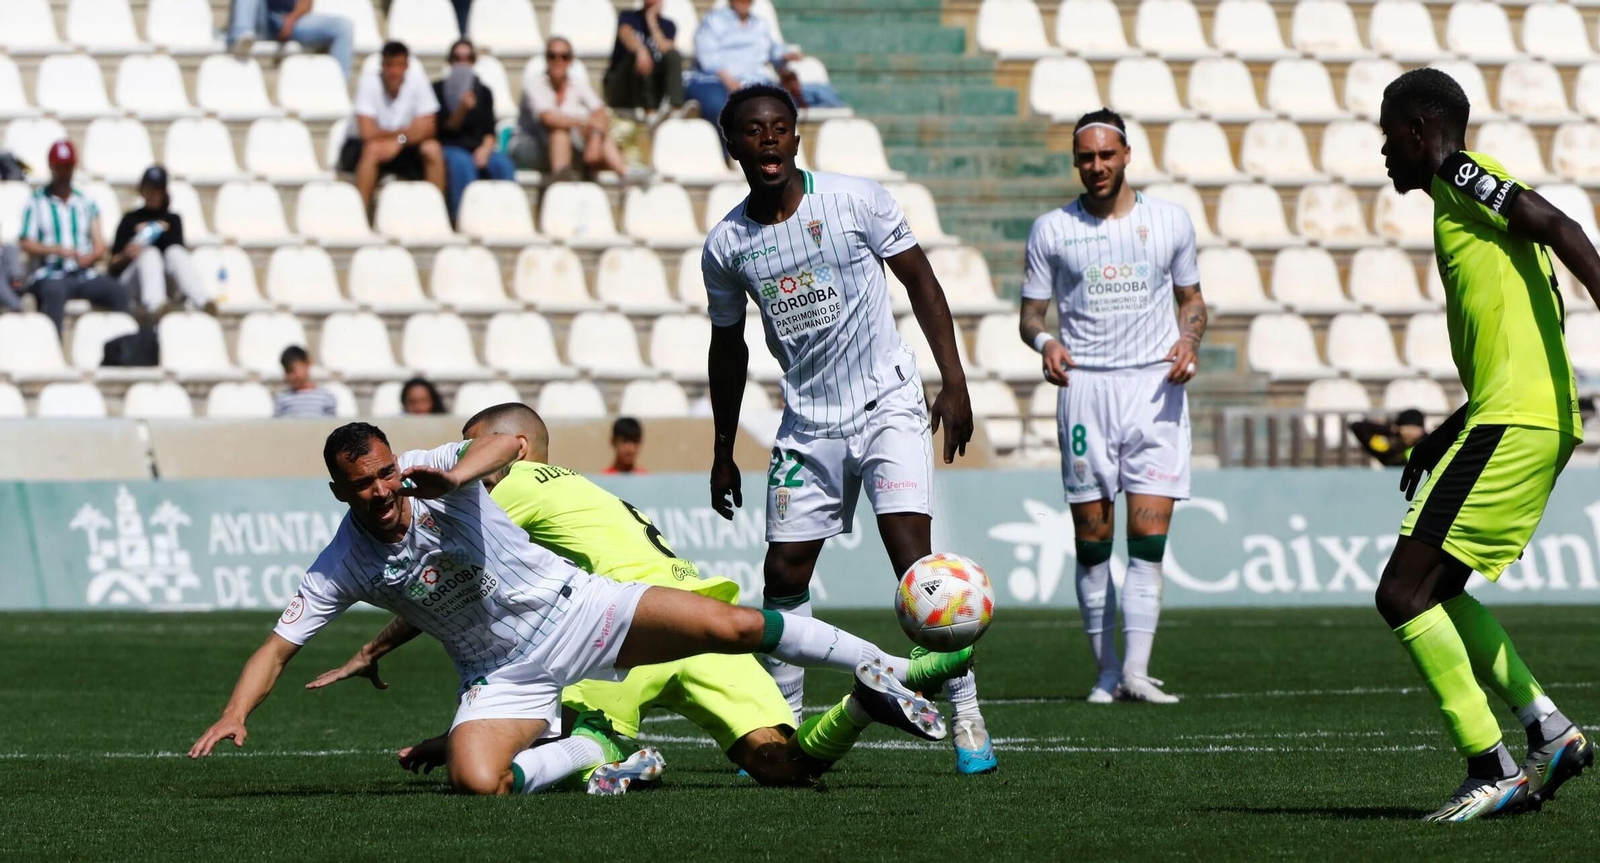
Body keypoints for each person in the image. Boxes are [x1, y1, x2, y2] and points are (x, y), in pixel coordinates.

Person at [189, 422, 967, 797]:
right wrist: (234, 711)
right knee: (477, 780)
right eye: (364, 484)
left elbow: (506, 440)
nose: (383, 489)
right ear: (340, 491)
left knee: (732, 626)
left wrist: (455, 477)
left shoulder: (435, 470)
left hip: (578, 610)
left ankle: (888, 667)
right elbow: (277, 647)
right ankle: (596, 750)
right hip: (500, 673)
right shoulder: (343, 560)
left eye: (386, 473)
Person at [701, 85, 994, 775]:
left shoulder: (856, 200)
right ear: (733, 145)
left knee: (918, 571)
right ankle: (779, 727)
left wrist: (954, 381)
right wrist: (723, 449)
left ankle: (967, 711)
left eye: (779, 127)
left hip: (888, 403)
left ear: (796, 137)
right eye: (753, 130)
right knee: (782, 572)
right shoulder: (726, 246)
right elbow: (727, 346)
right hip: (808, 423)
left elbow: (922, 282)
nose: (768, 138)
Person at [1373, 67, 1595, 821]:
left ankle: (1489, 765)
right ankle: (1550, 731)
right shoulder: (1460, 203)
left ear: (1418, 131)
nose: (1384, 153)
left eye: (1388, 136)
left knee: (1402, 593)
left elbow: (1562, 227)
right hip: (1523, 415)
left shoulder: (1461, 176)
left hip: (1515, 420)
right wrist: (1443, 434)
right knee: (1437, 589)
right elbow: (1512, 341)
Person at [1017, 108, 1206, 707]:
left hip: (1154, 389)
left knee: (1148, 540)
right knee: (1093, 541)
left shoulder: (1170, 221)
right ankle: (1105, 673)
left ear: (1126, 155)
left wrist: (1189, 340)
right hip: (1086, 390)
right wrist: (1046, 344)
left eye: (1106, 155)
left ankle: (1137, 673)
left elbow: (1192, 300)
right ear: (1076, 162)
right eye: (1086, 157)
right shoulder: (1052, 230)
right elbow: (1030, 316)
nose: (1097, 165)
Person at [16, 141, 131, 335]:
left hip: (83, 274)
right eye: (59, 167)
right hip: (50, 273)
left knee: (118, 291)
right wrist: (56, 250)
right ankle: (53, 347)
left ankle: (123, 344)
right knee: (54, 293)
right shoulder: (36, 202)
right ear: (51, 167)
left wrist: (92, 256)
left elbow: (100, 245)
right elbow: (26, 242)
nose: (63, 173)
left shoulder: (86, 202)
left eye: (67, 167)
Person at [686, 0, 844, 126]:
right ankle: (729, 152)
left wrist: (785, 55)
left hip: (757, 82)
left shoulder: (759, 24)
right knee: (720, 107)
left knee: (815, 95)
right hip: (721, 82)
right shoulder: (714, 20)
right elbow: (707, 55)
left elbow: (773, 49)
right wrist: (729, 81)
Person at [341, 41, 445, 220]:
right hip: (365, 148)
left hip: (403, 146)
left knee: (432, 149)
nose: (394, 71)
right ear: (383, 66)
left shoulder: (418, 81)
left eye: (398, 65)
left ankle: (436, 215)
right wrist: (408, 132)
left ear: (406, 66)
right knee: (372, 149)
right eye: (389, 65)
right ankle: (360, 217)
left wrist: (399, 141)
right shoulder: (368, 82)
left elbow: (429, 128)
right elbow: (367, 132)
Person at [510, 37, 630, 179]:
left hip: (565, 147)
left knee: (599, 135)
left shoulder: (577, 83)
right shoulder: (534, 84)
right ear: (546, 59)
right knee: (560, 131)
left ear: (570, 60)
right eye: (552, 56)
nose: (558, 60)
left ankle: (626, 179)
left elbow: (601, 112)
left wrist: (595, 138)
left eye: (564, 56)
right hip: (529, 146)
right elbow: (549, 119)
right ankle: (562, 185)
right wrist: (585, 122)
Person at [108, 166, 212, 317]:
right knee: (149, 253)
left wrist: (155, 230)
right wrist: (127, 255)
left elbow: (174, 254)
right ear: (142, 190)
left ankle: (203, 301)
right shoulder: (130, 220)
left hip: (166, 283)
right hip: (133, 283)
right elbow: (112, 264)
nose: (152, 194)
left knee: (175, 252)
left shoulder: (173, 220)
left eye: (156, 189)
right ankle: (155, 305)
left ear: (163, 192)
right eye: (148, 188)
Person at [433, 39, 516, 223]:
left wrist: (485, 150)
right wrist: (461, 109)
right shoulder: (438, 89)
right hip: (450, 146)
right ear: (450, 61)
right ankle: (463, 218)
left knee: (503, 164)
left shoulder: (484, 92)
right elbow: (443, 129)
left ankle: (508, 217)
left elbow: (489, 131)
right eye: (457, 58)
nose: (463, 63)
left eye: (468, 58)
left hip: (478, 147)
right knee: (462, 164)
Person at [228, 0, 354, 80]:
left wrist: (292, 18)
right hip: (259, 20)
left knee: (343, 27)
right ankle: (241, 34)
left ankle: (338, 88)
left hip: (286, 19)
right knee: (246, 29)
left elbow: (306, 3)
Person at [603, 0, 685, 113]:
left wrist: (651, 20)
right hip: (624, 82)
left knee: (673, 55)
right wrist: (640, 51)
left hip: (652, 83)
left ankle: (675, 107)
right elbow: (625, 34)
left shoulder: (668, 25)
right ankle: (649, 109)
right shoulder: (628, 17)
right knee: (637, 57)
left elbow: (664, 47)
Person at [273, 346, 338, 417]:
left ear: (307, 364)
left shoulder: (326, 397)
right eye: (287, 372)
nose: (291, 377)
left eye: (293, 370)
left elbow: (331, 422)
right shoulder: (282, 398)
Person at [1349, 408, 1427, 467]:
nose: (1416, 432)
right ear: (1400, 428)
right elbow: (1357, 427)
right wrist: (1391, 430)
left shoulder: (1426, 444)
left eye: (1419, 429)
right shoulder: (1388, 448)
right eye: (1411, 428)